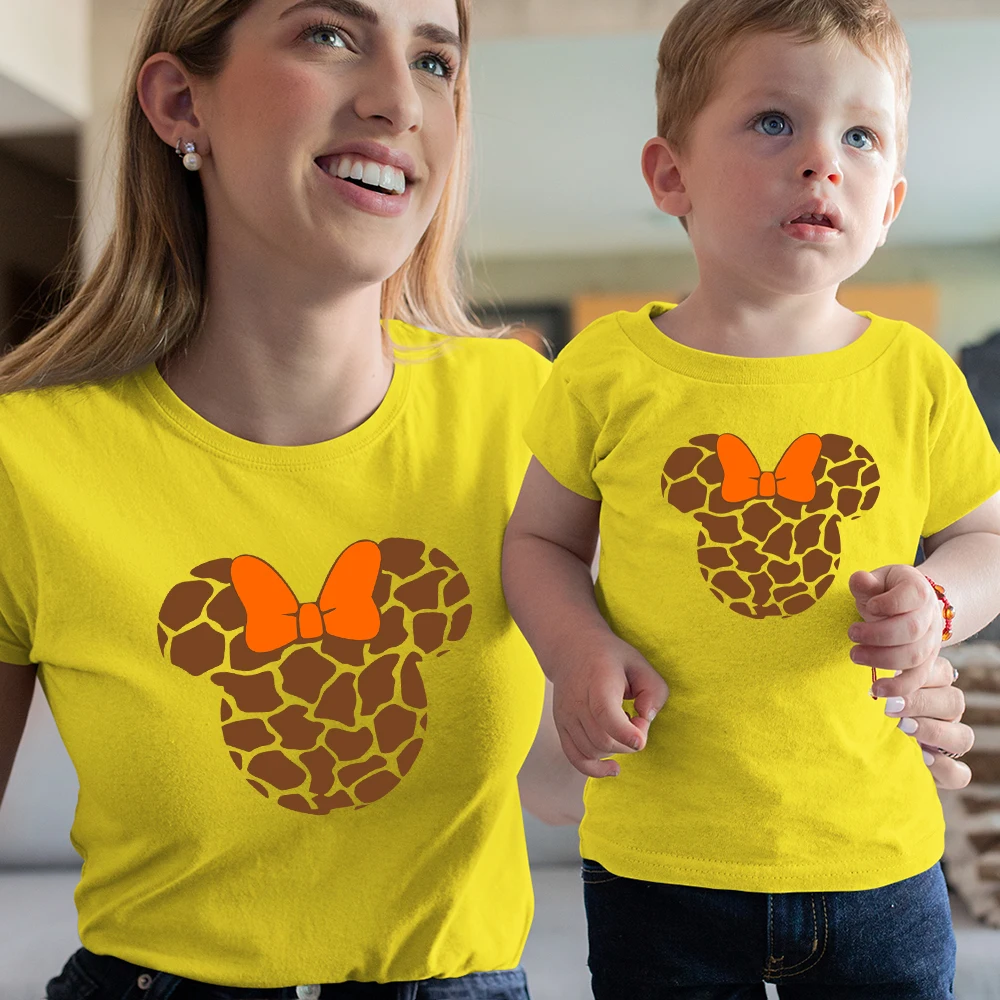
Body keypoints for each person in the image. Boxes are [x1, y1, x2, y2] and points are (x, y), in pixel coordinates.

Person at [0, 0, 974, 997]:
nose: (398, 100)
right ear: (178, 101)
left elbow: (567, 773)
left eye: (435, 62)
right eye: (329, 35)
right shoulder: (22, 460)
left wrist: (866, 691)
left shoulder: (527, 405)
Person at [501, 0, 999, 997]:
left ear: (890, 203)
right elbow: (537, 544)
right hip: (658, 858)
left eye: (860, 136)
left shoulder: (916, 375)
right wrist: (576, 648)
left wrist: (939, 601)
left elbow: (986, 536)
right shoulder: (606, 370)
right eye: (774, 121)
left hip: (877, 855)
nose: (822, 162)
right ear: (670, 175)